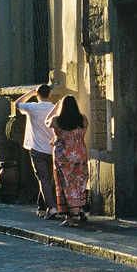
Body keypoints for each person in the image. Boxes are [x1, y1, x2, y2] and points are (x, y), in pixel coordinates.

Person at [14, 85, 57, 219]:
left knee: (43, 179)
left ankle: (52, 207)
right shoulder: (54, 108)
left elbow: (17, 103)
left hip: (37, 149)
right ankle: (42, 207)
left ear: (38, 95)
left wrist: (31, 93)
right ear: (49, 94)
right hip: (51, 149)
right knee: (48, 179)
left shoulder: (33, 107)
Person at [46, 95, 89, 227]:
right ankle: (80, 208)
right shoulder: (82, 119)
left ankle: (69, 218)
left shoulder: (56, 120)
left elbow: (46, 121)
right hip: (79, 153)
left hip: (63, 156)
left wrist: (56, 107)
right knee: (79, 181)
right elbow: (82, 135)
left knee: (64, 184)